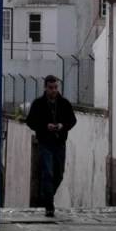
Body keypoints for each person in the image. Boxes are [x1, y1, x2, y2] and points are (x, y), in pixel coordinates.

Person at [25, 75, 77, 217]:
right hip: (45, 143)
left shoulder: (64, 103)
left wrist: (62, 125)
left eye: (55, 87)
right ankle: (49, 206)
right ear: (45, 88)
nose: (53, 90)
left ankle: (46, 197)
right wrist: (44, 126)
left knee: (59, 174)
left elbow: (72, 120)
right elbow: (30, 121)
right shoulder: (38, 103)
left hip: (60, 143)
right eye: (51, 88)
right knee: (48, 173)